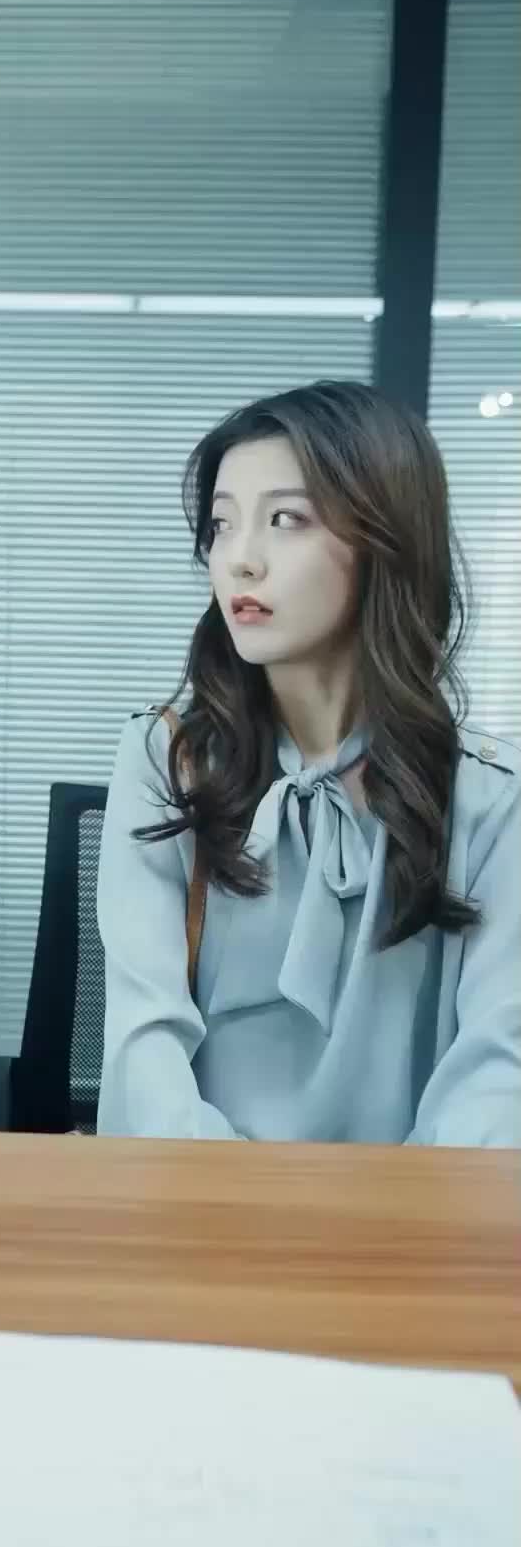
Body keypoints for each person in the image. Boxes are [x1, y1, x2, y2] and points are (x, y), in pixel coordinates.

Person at [97, 380, 521, 1146]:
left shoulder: (492, 799)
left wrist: (403, 1215)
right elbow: (144, 1052)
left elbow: (497, 1080)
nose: (240, 561)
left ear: (385, 539)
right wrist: (232, 1206)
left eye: (285, 520)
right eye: (221, 525)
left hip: (421, 1209)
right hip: (197, 1197)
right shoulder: (168, 760)